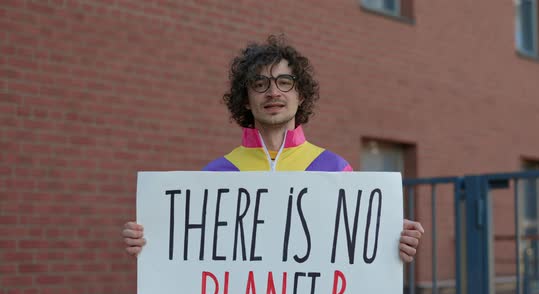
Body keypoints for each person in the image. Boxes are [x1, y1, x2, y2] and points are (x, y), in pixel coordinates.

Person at [122, 35, 424, 263]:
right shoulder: (215, 176)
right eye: (260, 83)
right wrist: (149, 243)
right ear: (245, 98)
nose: (273, 92)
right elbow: (190, 259)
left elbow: (355, 253)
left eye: (284, 81)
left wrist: (392, 241)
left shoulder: (335, 169)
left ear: (301, 94)